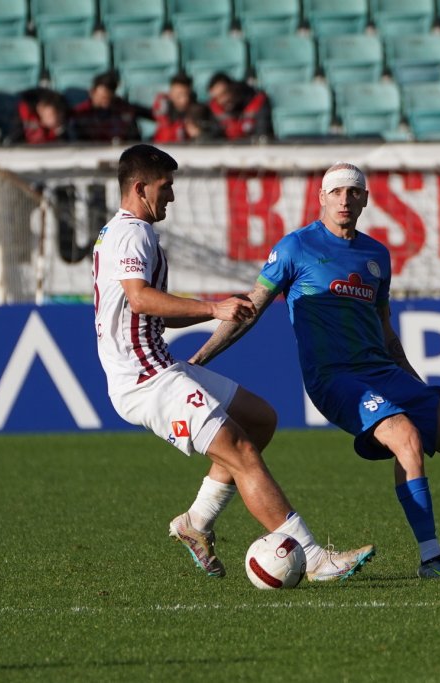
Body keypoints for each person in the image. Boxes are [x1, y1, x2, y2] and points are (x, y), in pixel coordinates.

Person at [190, 162, 440, 580]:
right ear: (321, 198)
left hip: (384, 371)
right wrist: (201, 359)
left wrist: (422, 388)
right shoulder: (295, 248)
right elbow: (250, 309)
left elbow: (386, 334)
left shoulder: (376, 255)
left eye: (354, 192)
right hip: (335, 377)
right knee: (406, 438)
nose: (345, 199)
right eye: (337, 192)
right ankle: (432, 558)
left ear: (364, 199)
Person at [92, 144, 374, 582]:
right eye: (165, 188)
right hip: (143, 377)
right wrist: (213, 309)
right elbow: (139, 298)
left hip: (158, 364)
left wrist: (215, 313)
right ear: (140, 187)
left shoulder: (125, 232)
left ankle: (196, 522)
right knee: (241, 451)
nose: (171, 197)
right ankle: (315, 559)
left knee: (259, 420)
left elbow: (153, 312)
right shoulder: (133, 233)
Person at [74, 71, 144, 143]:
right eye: (103, 98)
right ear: (92, 92)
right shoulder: (80, 113)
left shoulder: (125, 110)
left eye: (110, 99)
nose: (106, 103)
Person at [153, 73, 222, 143]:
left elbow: (216, 132)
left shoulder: (201, 112)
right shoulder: (163, 110)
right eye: (179, 95)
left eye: (187, 94)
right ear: (171, 93)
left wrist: (200, 134)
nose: (184, 99)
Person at [206, 72, 272, 140]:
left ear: (233, 88)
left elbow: (263, 132)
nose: (223, 100)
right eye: (217, 98)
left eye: (225, 93)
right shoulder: (214, 108)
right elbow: (214, 136)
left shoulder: (258, 101)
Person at [8, 88, 75, 144]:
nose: (56, 119)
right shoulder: (23, 115)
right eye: (50, 116)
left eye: (59, 116)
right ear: (40, 110)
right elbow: (15, 140)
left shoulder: (65, 128)